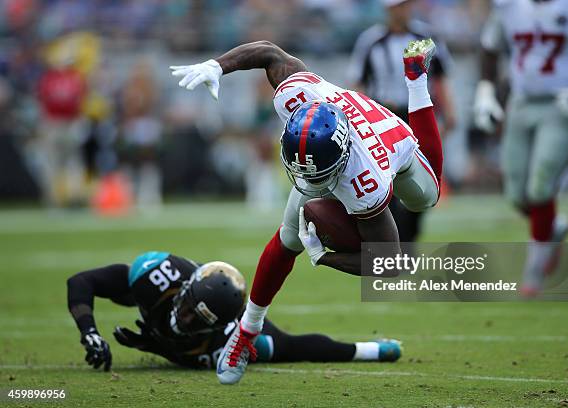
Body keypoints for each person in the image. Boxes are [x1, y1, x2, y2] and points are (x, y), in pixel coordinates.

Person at [170, 38, 443, 384]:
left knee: (426, 196)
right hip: (340, 139)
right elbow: (269, 52)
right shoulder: (294, 96)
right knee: (287, 237)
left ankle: (416, 79)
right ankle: (245, 334)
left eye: (316, 173)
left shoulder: (365, 180)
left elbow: (389, 263)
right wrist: (217, 65)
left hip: (389, 139)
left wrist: (324, 257)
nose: (303, 178)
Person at [473, 0, 568, 295]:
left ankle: (534, 273)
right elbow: (489, 47)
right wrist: (485, 94)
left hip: (565, 105)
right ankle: (553, 225)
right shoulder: (509, 7)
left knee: (541, 185)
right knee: (515, 194)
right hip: (521, 102)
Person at [67, 251, 401, 371]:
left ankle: (372, 349)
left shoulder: (226, 341)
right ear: (184, 289)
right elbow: (81, 282)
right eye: (187, 309)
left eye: (196, 321)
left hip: (230, 335)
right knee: (125, 291)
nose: (184, 320)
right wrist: (90, 332)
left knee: (282, 348)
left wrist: (159, 345)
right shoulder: (155, 277)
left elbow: (296, 347)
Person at [349, 0, 455, 247]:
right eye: (396, 7)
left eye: (404, 6)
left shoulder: (427, 36)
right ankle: (396, 245)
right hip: (384, 117)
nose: (400, 11)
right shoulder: (370, 41)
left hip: (417, 115)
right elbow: (358, 83)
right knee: (389, 184)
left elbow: (440, 76)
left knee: (425, 180)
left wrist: (450, 112)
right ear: (387, 10)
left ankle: (409, 239)